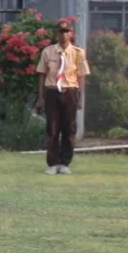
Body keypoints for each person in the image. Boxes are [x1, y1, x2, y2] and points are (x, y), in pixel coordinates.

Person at [38, 19, 88, 175]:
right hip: (52, 91)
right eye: (61, 32)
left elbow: (81, 76)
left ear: (71, 34)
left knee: (69, 129)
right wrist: (41, 97)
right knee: (52, 129)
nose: (64, 35)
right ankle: (52, 163)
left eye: (66, 32)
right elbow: (42, 75)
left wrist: (80, 97)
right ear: (56, 34)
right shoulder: (48, 51)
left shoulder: (78, 53)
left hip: (70, 91)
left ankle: (65, 163)